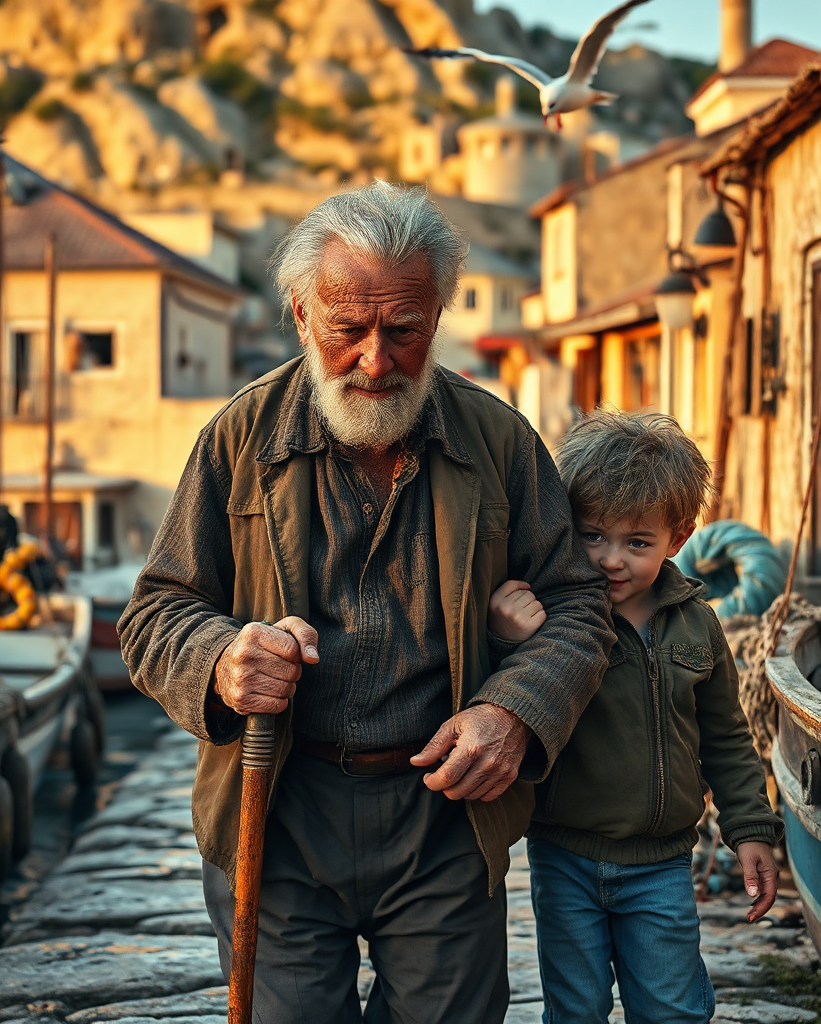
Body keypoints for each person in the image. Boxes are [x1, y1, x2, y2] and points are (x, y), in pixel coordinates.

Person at [118, 181, 616, 1024]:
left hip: (444, 819)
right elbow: (156, 612)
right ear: (304, 315)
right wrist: (222, 659)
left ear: (437, 316)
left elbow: (579, 605)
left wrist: (516, 712)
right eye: (350, 330)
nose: (376, 360)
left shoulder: (497, 442)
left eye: (404, 330)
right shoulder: (239, 439)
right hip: (276, 809)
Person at [488, 409, 784, 1024]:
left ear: (677, 539)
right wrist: (506, 640)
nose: (610, 559)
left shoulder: (696, 623)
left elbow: (727, 738)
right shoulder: (551, 620)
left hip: (661, 866)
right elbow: (500, 703)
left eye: (637, 542)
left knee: (672, 1007)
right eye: (592, 535)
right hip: (565, 857)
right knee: (576, 1009)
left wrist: (752, 829)